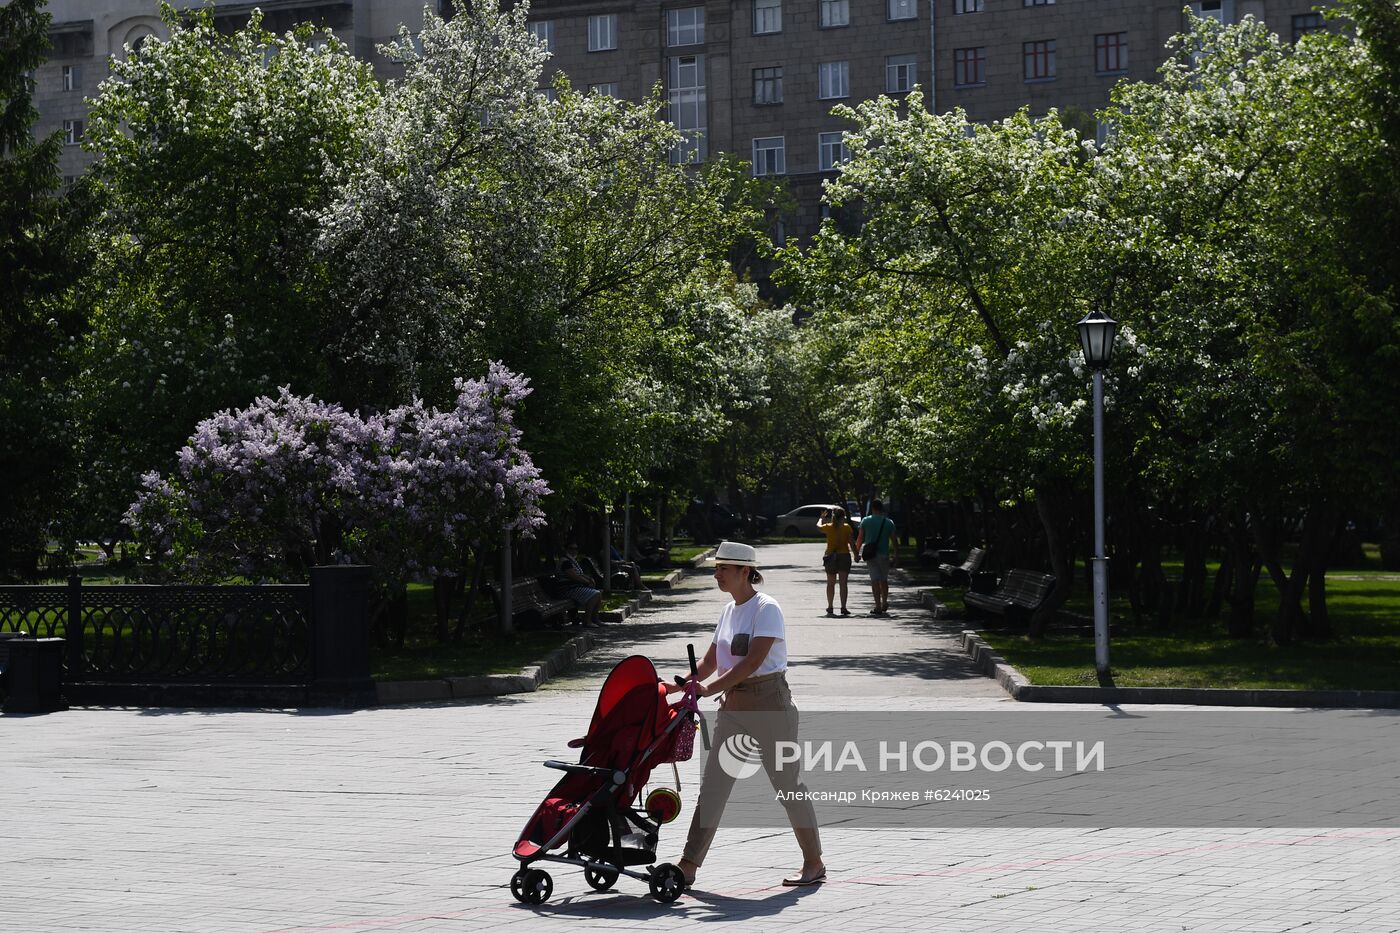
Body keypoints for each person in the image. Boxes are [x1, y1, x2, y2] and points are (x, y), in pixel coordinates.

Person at [667, 541, 825, 890]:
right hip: (734, 708)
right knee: (713, 789)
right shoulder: (728, 611)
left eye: (724, 568)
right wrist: (682, 685)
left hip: (770, 704)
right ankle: (689, 865)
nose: (717, 573)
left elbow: (753, 661)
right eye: (716, 568)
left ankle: (813, 863)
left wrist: (709, 689)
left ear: (745, 571)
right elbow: (710, 662)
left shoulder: (766, 609)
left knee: (787, 786)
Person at [854, 500, 898, 616]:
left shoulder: (865, 521)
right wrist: (896, 555)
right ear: (882, 509)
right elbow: (894, 540)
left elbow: (860, 538)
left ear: (872, 508)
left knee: (874, 580)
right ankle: (884, 602)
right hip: (884, 555)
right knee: (883, 579)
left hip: (870, 555)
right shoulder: (889, 522)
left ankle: (877, 606)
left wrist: (856, 553)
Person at [816, 507, 857, 617]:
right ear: (843, 517)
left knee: (830, 583)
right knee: (843, 583)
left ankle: (830, 606)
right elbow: (852, 543)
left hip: (830, 556)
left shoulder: (829, 527)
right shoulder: (847, 528)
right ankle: (843, 607)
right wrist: (856, 555)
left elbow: (818, 527)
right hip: (844, 556)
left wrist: (821, 518)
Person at [557, 543, 603, 628]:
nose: (574, 551)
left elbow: (580, 574)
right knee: (595, 594)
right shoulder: (565, 562)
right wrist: (587, 582)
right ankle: (587, 621)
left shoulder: (572, 561)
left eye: (576, 549)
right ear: (566, 549)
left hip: (575, 588)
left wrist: (590, 579)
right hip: (567, 590)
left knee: (598, 593)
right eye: (571, 548)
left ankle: (595, 619)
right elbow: (573, 576)